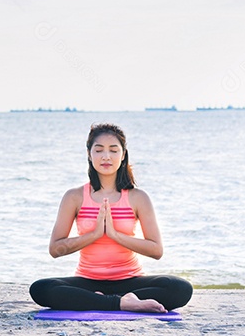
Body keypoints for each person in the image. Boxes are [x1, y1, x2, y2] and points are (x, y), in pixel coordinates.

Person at [30, 123, 193, 313]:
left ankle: (104, 301)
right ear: (89, 154)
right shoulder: (74, 197)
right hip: (88, 281)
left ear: (123, 155)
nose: (106, 156)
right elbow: (55, 249)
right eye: (99, 150)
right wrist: (95, 234)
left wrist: (115, 235)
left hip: (131, 282)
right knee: (40, 289)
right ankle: (122, 303)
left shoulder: (137, 197)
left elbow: (156, 250)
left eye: (113, 150)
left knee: (181, 288)